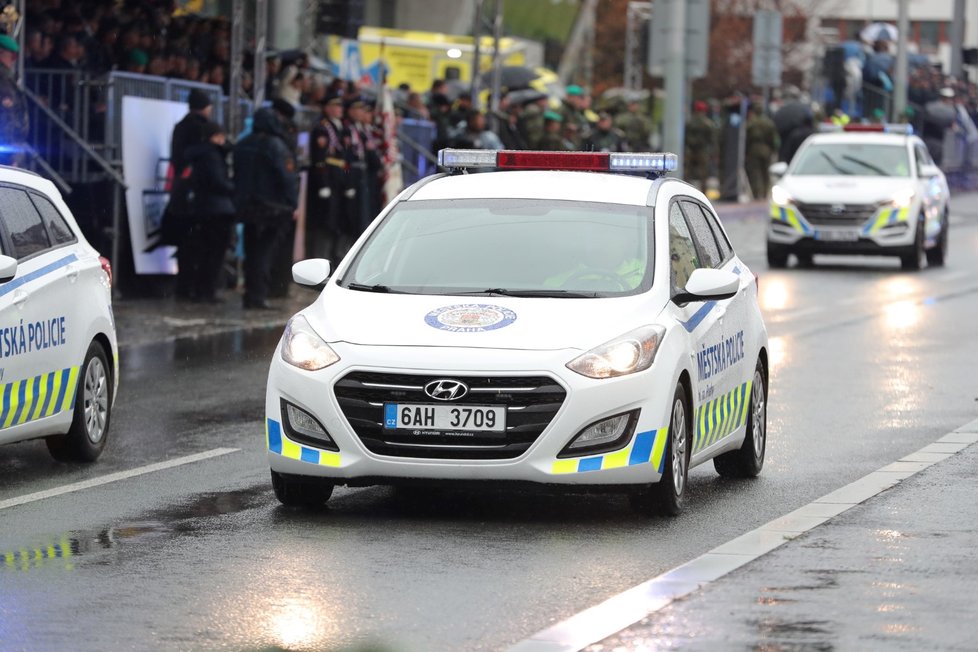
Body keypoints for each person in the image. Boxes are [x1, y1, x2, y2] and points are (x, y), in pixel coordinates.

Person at [233, 108, 299, 310]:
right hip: (273, 209)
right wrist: (292, 204)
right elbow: (287, 177)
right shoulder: (276, 146)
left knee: (252, 251)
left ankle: (250, 293)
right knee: (264, 253)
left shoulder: (242, 144)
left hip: (247, 206)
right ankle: (258, 295)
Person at [178, 121, 235, 303]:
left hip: (203, 209)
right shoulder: (212, 156)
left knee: (204, 252)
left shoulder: (199, 155)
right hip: (217, 210)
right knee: (214, 253)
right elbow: (218, 182)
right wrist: (235, 188)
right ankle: (207, 290)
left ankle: (199, 289)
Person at [307, 92, 350, 261]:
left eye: (340, 106)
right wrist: (323, 182)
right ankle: (319, 258)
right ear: (327, 108)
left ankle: (331, 259)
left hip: (338, 178)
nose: (340, 109)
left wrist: (346, 181)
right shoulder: (322, 128)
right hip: (327, 178)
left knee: (335, 221)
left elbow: (344, 158)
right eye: (336, 106)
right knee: (324, 221)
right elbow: (319, 158)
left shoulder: (339, 127)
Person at [0, 33, 29, 167]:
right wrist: (12, 156)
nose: (13, 60)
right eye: (11, 56)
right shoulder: (3, 79)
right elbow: (7, 118)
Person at [744, 104, 778, 200]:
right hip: (766, 149)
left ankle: (756, 194)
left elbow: (746, 139)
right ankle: (764, 193)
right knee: (765, 172)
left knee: (755, 172)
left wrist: (746, 151)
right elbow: (774, 139)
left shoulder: (750, 123)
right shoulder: (769, 123)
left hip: (753, 149)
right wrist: (773, 150)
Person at [684, 100, 717, 190]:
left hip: (690, 150)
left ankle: (686, 191)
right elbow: (712, 140)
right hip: (703, 151)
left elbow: (686, 137)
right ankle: (703, 193)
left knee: (688, 173)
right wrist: (714, 153)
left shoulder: (690, 122)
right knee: (703, 174)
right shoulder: (708, 124)